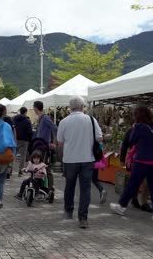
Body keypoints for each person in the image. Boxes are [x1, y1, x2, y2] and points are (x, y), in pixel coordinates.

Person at [110, 105, 153, 224]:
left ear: (138, 116)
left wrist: (134, 129)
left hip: (142, 162)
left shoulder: (139, 127)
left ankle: (121, 206)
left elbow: (132, 141)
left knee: (132, 185)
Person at [57, 96, 102, 229]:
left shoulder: (64, 121)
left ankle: (68, 211)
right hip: (87, 159)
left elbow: (60, 142)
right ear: (82, 106)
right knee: (85, 189)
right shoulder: (91, 120)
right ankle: (83, 218)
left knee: (69, 186)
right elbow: (99, 138)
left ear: (70, 107)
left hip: (70, 159)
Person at [120, 127, 152, 212]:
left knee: (145, 181)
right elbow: (125, 144)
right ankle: (134, 199)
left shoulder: (149, 129)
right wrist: (122, 159)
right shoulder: (131, 130)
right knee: (136, 180)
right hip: (136, 159)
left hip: (147, 159)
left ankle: (141, 202)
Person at [33, 101, 58, 190]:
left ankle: (50, 188)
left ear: (35, 108)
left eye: (33, 108)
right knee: (38, 167)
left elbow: (54, 128)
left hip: (45, 147)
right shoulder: (40, 119)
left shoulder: (45, 118)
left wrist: (54, 142)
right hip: (39, 147)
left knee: (46, 167)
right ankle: (40, 187)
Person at [13, 107, 33, 177]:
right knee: (23, 156)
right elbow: (29, 131)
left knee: (12, 155)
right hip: (24, 140)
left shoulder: (14, 119)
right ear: (26, 112)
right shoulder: (27, 121)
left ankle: (8, 172)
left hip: (15, 139)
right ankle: (20, 171)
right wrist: (30, 139)